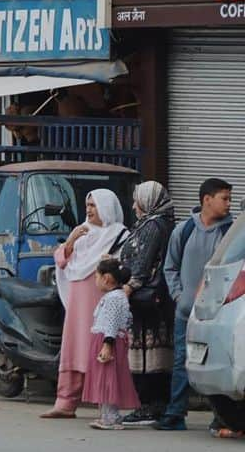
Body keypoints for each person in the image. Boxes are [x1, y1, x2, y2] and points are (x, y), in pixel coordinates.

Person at [42, 187, 128, 419]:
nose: (89, 210)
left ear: (107, 208)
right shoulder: (82, 233)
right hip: (78, 304)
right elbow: (62, 260)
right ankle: (65, 402)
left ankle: (105, 405)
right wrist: (70, 240)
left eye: (94, 205)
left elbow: (124, 267)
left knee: (101, 345)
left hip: (102, 303)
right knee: (74, 347)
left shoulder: (119, 235)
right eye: (88, 205)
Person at [157, 177, 234, 433]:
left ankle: (221, 418)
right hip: (185, 313)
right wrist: (179, 297)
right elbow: (170, 267)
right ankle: (175, 414)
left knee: (217, 365)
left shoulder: (230, 232)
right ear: (206, 200)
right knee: (181, 362)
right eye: (224, 198)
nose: (228, 204)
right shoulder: (184, 230)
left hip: (218, 317)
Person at [116, 181, 176, 428]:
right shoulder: (155, 223)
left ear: (148, 202)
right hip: (152, 300)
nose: (133, 206)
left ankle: (150, 406)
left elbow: (142, 262)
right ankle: (151, 405)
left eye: (137, 200)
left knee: (150, 355)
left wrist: (128, 288)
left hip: (147, 300)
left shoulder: (153, 226)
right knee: (152, 354)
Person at [84, 258, 141, 430]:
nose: (96, 280)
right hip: (106, 338)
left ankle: (110, 417)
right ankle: (107, 415)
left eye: (97, 276)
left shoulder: (114, 298)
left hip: (108, 341)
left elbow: (112, 322)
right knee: (105, 377)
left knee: (108, 378)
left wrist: (108, 343)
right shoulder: (116, 296)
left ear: (106, 278)